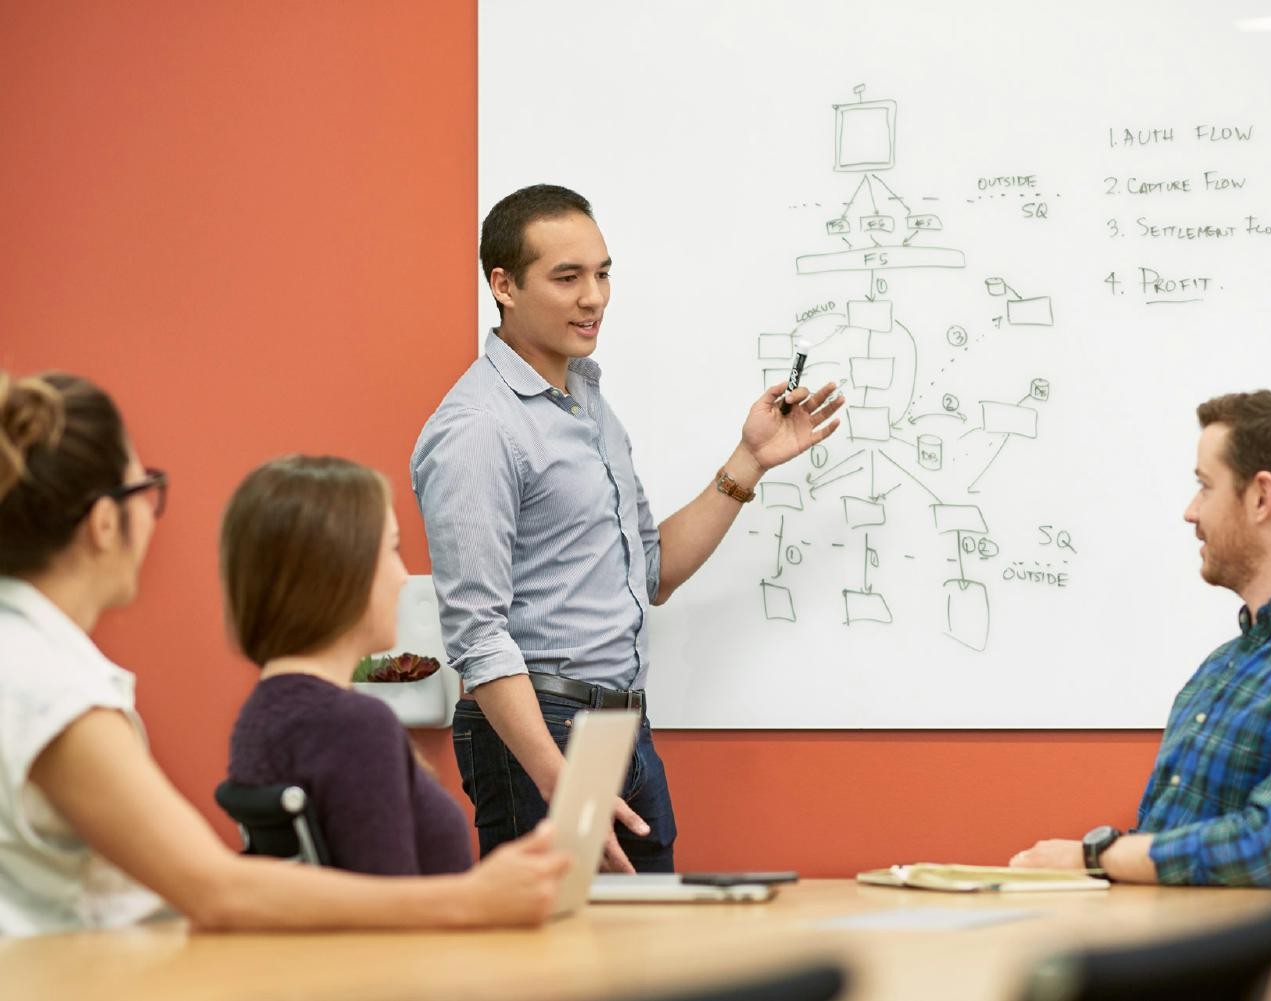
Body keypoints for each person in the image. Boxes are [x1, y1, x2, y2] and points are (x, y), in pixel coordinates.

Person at [0, 371, 567, 935]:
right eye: (145, 488)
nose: (152, 514)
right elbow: (215, 891)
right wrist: (476, 898)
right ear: (104, 523)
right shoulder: (52, 689)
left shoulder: (30, 663)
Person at [411, 184, 844, 872]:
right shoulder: (477, 430)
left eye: (603, 272)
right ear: (504, 285)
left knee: (647, 957)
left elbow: (651, 571)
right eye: (567, 277)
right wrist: (562, 784)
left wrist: (751, 459)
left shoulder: (586, 401)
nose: (595, 297)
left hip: (622, 726)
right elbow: (477, 635)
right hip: (545, 733)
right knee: (565, 971)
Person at [1010, 390, 1271, 886]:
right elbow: (1170, 847)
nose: (1190, 511)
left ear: (1261, 497)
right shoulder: (1224, 665)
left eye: (1205, 486)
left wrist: (1095, 857)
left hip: (1233, 960)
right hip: (1156, 938)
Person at [221, 456, 470, 875]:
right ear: (338, 571)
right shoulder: (352, 726)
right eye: (392, 550)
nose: (404, 577)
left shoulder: (262, 715)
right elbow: (391, 915)